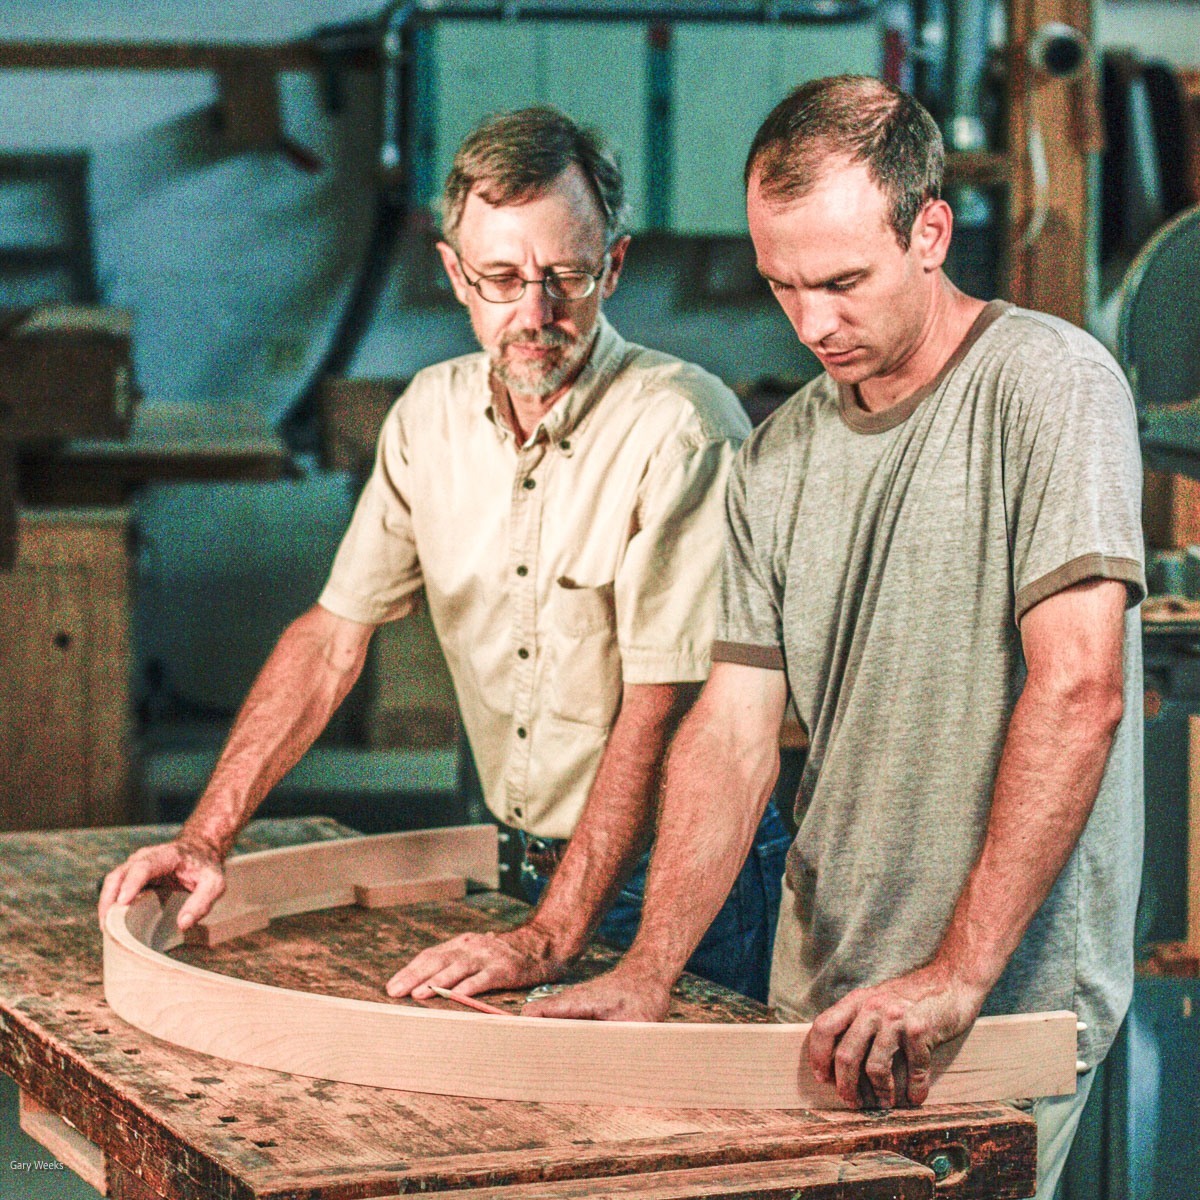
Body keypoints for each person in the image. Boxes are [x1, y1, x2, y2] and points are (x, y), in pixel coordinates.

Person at [528, 77, 1144, 1200]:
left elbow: (1079, 690)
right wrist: (651, 971)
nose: (812, 324)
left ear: (930, 233)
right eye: (783, 287)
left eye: (843, 281)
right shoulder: (776, 459)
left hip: (994, 1007)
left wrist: (958, 974)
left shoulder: (1048, 386)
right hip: (817, 994)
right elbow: (731, 734)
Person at [98, 106, 790, 1003]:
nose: (534, 312)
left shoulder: (682, 429)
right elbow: (331, 639)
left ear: (613, 266)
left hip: (680, 878)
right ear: (454, 275)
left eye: (565, 276)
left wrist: (549, 940)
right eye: (501, 278)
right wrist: (204, 837)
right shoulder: (427, 417)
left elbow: (661, 710)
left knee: (690, 1129)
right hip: (515, 860)